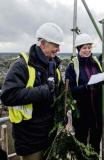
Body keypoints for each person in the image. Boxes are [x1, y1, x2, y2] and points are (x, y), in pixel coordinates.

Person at [0, 22, 64, 160]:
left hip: (49, 132)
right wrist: (45, 90)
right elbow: (8, 96)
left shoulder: (53, 65)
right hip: (30, 137)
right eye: (55, 45)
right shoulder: (21, 66)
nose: (58, 49)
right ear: (42, 44)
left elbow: (56, 93)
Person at [65, 33, 103, 158]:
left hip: (96, 110)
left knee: (96, 140)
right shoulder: (72, 67)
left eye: (89, 47)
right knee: (81, 141)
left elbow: (100, 80)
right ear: (78, 49)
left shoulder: (96, 62)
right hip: (82, 111)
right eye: (84, 48)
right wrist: (86, 87)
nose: (87, 50)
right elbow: (70, 91)